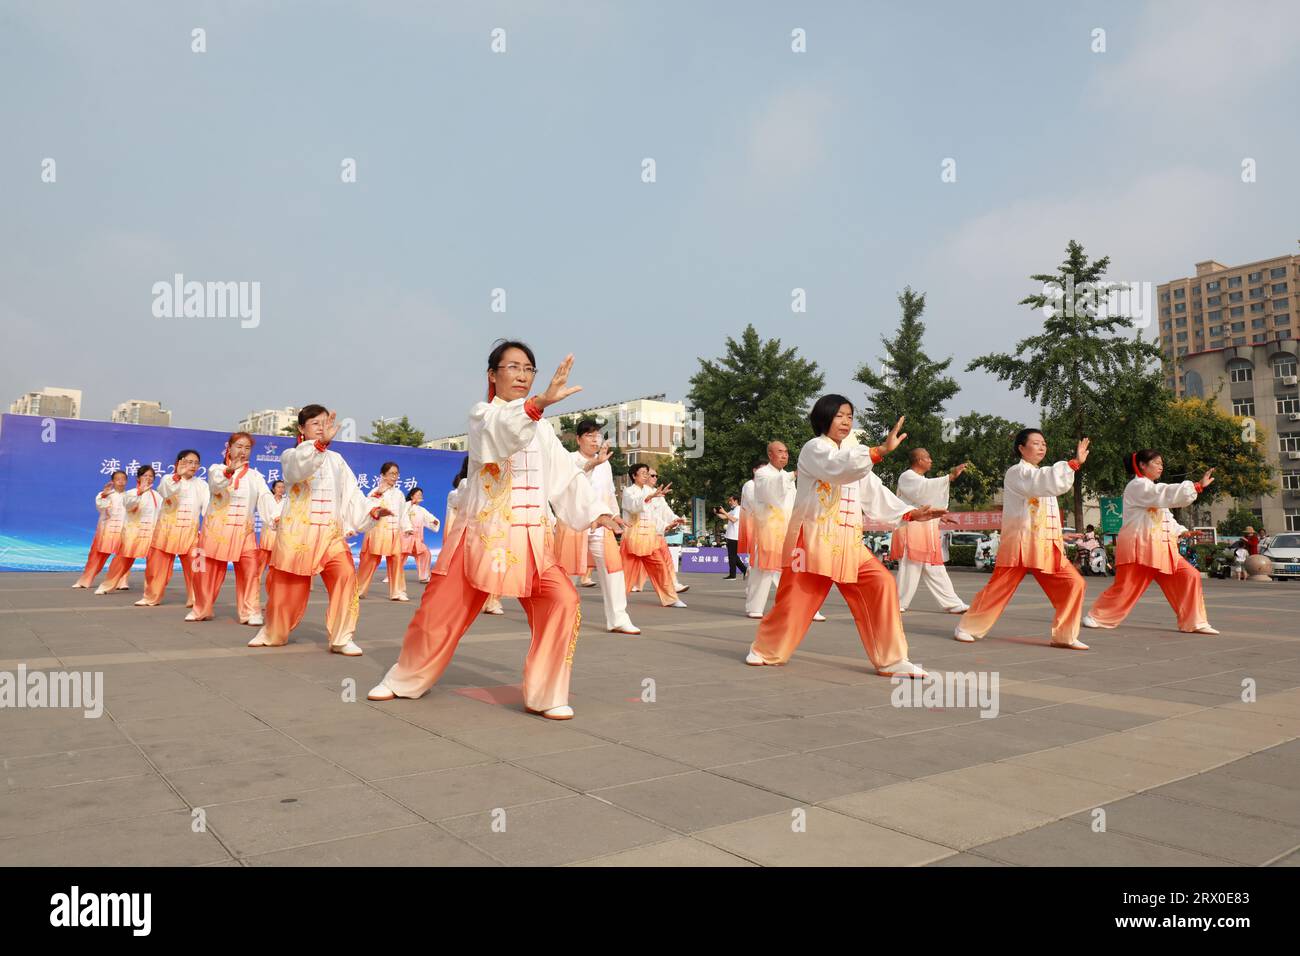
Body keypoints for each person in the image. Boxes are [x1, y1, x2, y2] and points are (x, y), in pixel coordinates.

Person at [368, 341, 624, 719]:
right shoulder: (482, 414)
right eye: (513, 367)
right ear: (492, 375)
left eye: (528, 369)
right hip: (481, 536)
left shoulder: (543, 429)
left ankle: (545, 694)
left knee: (563, 602)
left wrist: (597, 511)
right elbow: (501, 434)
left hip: (531, 539)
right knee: (439, 612)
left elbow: (565, 477)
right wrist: (538, 404)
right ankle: (404, 678)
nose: (522, 375)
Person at [747, 401, 939, 677]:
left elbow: (875, 491)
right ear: (824, 418)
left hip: (849, 542)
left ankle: (892, 658)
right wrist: (879, 451)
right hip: (813, 539)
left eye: (849, 416)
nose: (846, 422)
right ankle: (765, 649)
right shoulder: (815, 449)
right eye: (839, 416)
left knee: (882, 583)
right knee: (794, 602)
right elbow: (836, 468)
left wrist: (910, 513)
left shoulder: (854, 458)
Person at [248, 405, 391, 655]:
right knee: (286, 590)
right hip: (297, 536)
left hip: (329, 535)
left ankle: (342, 637)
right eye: (315, 423)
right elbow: (298, 470)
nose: (322, 427)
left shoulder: (337, 461)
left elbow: (351, 495)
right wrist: (320, 445)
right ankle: (273, 632)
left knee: (345, 577)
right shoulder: (291, 455)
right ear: (301, 428)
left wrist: (371, 511)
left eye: (325, 423)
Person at [954, 429, 1090, 650]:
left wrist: (1059, 535)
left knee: (1074, 583)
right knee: (999, 588)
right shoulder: (1018, 472)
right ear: (1021, 448)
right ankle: (967, 627)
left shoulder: (1040, 477)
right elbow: (1041, 481)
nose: (1042, 447)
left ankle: (1065, 635)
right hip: (1020, 542)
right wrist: (1072, 463)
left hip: (1045, 545)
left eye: (1044, 443)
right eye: (1036, 443)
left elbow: (1048, 495)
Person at [1083, 450, 1219, 635]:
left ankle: (1194, 621)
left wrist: (1182, 531)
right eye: (1156, 462)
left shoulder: (1152, 492)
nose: (1161, 466)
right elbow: (1161, 492)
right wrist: (1195, 487)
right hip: (1141, 547)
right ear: (1142, 465)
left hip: (1163, 548)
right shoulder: (1137, 486)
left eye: (1161, 463)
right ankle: (1097, 616)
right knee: (1127, 587)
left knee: (1190, 576)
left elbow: (1166, 517)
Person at [188, 432, 277, 625]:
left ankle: (250, 611)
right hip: (216, 531)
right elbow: (215, 486)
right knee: (205, 571)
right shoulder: (216, 469)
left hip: (244, 532)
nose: (243, 452)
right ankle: (201, 609)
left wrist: (274, 516)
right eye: (239, 446)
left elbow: (265, 497)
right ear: (229, 447)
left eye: (247, 448)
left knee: (251, 571)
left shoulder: (255, 476)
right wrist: (229, 471)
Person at [565, 419, 640, 634]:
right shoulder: (570, 460)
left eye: (597, 435)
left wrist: (615, 515)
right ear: (578, 439)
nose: (594, 439)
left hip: (601, 523)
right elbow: (572, 486)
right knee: (569, 571)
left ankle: (618, 618)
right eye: (589, 435)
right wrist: (593, 464)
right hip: (575, 524)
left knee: (613, 568)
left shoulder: (605, 464)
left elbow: (608, 494)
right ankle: (565, 617)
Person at [748, 441, 826, 622]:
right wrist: (792, 476)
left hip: (790, 527)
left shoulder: (788, 477)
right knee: (765, 569)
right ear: (770, 454)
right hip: (769, 527)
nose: (784, 455)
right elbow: (771, 494)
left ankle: (807, 607)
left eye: (786, 452)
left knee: (796, 569)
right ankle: (755, 606)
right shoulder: (762, 474)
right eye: (780, 452)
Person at [891, 449, 971, 614]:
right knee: (910, 566)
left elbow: (925, 500)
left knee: (934, 566)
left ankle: (952, 603)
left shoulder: (921, 480)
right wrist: (950, 477)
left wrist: (940, 516)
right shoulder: (907, 477)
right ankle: (897, 602)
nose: (931, 460)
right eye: (928, 457)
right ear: (919, 460)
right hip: (911, 527)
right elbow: (923, 490)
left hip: (926, 528)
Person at [137, 449, 209, 607]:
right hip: (166, 531)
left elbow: (208, 507)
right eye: (189, 462)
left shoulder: (202, 484)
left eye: (196, 463)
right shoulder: (168, 479)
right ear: (179, 462)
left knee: (198, 567)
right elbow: (165, 492)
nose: (193, 465)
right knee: (156, 568)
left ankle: (196, 599)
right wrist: (178, 475)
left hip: (190, 532)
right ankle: (151, 597)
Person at [624, 463, 687, 607]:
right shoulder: (629, 492)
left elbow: (654, 515)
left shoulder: (650, 491)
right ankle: (617, 600)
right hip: (632, 539)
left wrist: (668, 524)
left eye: (648, 473)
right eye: (643, 473)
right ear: (634, 476)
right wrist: (649, 497)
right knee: (625, 573)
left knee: (660, 568)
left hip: (649, 539)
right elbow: (633, 507)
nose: (646, 476)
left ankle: (671, 598)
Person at [95, 466, 161, 594]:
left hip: (151, 533)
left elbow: (160, 514)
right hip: (133, 534)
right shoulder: (130, 493)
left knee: (153, 564)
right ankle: (106, 586)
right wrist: (139, 493)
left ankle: (151, 591)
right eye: (145, 476)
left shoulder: (157, 496)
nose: (148, 478)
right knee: (122, 561)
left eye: (150, 476)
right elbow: (129, 506)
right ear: (138, 478)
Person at [356, 462, 410, 602]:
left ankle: (397, 592)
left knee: (396, 561)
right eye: (392, 473)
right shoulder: (375, 491)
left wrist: (407, 527)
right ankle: (358, 589)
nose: (395, 476)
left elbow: (403, 513)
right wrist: (378, 493)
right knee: (369, 561)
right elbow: (367, 507)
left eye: (396, 473)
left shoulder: (399, 494)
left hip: (394, 532)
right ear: (383, 475)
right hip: (377, 531)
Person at [73, 470, 127, 589]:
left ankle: (121, 582)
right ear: (113, 481)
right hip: (106, 530)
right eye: (118, 478)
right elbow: (100, 506)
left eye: (123, 478)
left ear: (126, 481)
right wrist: (104, 495)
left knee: (123, 558)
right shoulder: (105, 494)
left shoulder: (130, 496)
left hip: (123, 531)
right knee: (96, 556)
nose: (121, 481)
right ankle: (85, 581)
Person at [402, 487, 441, 584]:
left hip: (417, 539)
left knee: (425, 553)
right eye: (418, 494)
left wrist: (434, 522)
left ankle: (423, 576)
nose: (420, 496)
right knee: (400, 556)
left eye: (421, 495)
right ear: (412, 496)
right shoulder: (405, 506)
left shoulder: (421, 510)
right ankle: (392, 576)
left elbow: (429, 518)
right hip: (406, 537)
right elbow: (401, 515)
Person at [257, 479, 286, 584]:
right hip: (269, 529)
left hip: (280, 531)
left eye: (283, 487)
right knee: (264, 554)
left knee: (276, 556)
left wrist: (281, 520)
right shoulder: (267, 499)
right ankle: (257, 577)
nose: (281, 489)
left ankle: (273, 578)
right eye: (278, 487)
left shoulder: (287, 500)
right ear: (273, 489)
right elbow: (264, 512)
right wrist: (272, 520)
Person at [716, 495, 746, 580]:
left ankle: (733, 575)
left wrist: (724, 511)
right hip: (730, 535)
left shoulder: (738, 509)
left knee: (732, 556)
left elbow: (733, 520)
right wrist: (717, 512)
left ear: (736, 501)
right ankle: (745, 570)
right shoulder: (733, 510)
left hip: (735, 536)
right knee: (733, 556)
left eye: (731, 500)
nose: (729, 502)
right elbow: (724, 517)